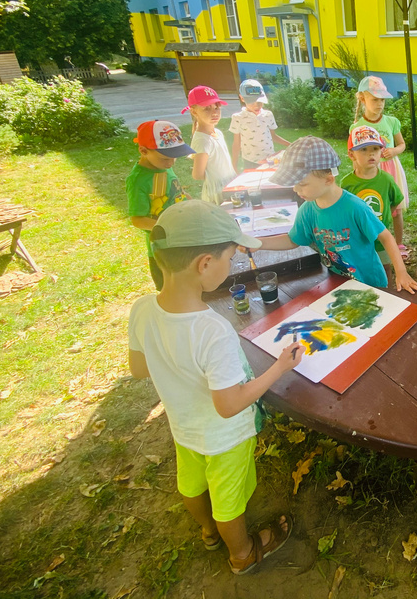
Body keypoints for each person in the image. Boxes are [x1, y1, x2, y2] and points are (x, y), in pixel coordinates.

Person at [127, 200, 302, 575]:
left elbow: (139, 369)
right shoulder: (212, 330)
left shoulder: (141, 308)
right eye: (231, 258)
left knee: (191, 485)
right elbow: (229, 405)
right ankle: (243, 553)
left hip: (183, 426)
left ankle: (207, 532)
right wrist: (279, 367)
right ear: (205, 264)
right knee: (228, 502)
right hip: (224, 437)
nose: (232, 265)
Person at [255, 135, 417, 294]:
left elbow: (385, 236)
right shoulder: (307, 211)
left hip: (370, 283)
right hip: (338, 284)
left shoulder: (355, 207)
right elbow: (292, 240)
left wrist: (401, 273)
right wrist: (258, 243)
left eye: (302, 184)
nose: (295, 189)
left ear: (328, 179)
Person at [126, 120, 193, 290]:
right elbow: (138, 220)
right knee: (174, 291)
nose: (171, 163)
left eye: (174, 157)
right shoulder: (138, 181)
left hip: (183, 237)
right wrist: (167, 228)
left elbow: (173, 191)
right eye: (166, 158)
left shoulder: (162, 165)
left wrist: (189, 201)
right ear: (143, 151)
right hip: (164, 248)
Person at [349, 76, 409, 258]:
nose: (380, 104)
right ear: (362, 99)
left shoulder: (391, 122)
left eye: (382, 100)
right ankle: (373, 242)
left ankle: (398, 244)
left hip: (391, 169)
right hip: (370, 172)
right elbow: (353, 154)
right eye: (375, 99)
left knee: (396, 208)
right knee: (374, 207)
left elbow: (402, 144)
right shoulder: (357, 127)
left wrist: (394, 151)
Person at [339, 125, 404, 281]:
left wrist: (386, 214)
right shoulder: (346, 183)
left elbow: (395, 202)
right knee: (360, 274)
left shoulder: (386, 179)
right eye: (364, 149)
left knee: (385, 271)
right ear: (351, 155)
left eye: (375, 149)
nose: (371, 154)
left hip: (381, 239)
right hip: (357, 239)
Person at [185, 85, 237, 205]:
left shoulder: (217, 133)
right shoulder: (203, 140)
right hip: (218, 194)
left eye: (216, 108)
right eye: (207, 109)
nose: (214, 113)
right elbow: (197, 174)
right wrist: (215, 178)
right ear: (194, 111)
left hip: (230, 186)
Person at [229, 79, 290, 171]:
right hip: (250, 161)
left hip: (270, 159)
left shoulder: (268, 115)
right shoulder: (237, 118)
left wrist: (291, 145)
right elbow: (236, 143)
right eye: (251, 102)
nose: (256, 106)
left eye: (259, 102)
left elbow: (273, 136)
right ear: (242, 98)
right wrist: (234, 164)